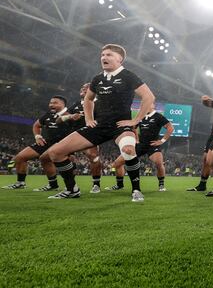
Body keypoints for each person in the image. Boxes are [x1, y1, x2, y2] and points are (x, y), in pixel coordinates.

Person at [45, 44, 155, 202]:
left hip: (120, 126)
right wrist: (89, 119)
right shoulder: (97, 79)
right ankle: (72, 190)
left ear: (120, 59)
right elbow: (88, 99)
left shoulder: (128, 76)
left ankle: (136, 190)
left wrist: (136, 120)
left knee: (129, 150)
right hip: (100, 126)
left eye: (109, 55)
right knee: (55, 153)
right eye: (103, 55)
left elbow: (149, 97)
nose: (104, 57)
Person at [3, 96, 72, 191]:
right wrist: (38, 137)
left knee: (45, 160)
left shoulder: (71, 115)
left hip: (63, 144)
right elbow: (36, 125)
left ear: (63, 104)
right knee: (20, 158)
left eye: (55, 103)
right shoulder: (48, 115)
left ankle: (60, 186)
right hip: (46, 142)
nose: (51, 105)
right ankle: (20, 183)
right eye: (50, 102)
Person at [109, 110, 173, 192]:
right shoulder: (141, 116)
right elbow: (133, 127)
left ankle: (161, 185)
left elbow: (170, 127)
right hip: (140, 145)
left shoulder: (158, 116)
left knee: (159, 162)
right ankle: (119, 185)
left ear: (152, 104)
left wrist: (162, 141)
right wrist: (136, 139)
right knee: (117, 163)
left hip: (152, 145)